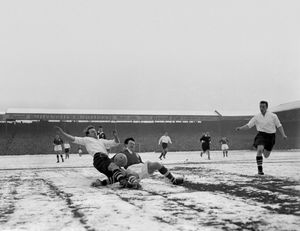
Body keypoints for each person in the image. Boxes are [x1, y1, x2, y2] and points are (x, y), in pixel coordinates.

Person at [54, 125, 140, 188]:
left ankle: (102, 183)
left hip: (105, 159)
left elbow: (116, 142)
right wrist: (62, 132)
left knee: (124, 172)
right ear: (88, 134)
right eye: (92, 131)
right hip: (99, 158)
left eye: (95, 131)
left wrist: (115, 136)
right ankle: (123, 182)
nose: (95, 132)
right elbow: (73, 138)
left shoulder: (101, 141)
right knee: (114, 167)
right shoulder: (86, 139)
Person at [95, 137, 184, 186]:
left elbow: (142, 163)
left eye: (134, 144)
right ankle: (129, 183)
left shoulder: (137, 154)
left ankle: (173, 180)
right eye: (131, 144)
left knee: (157, 164)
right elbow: (112, 163)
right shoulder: (121, 154)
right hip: (130, 170)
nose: (133, 145)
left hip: (141, 168)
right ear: (126, 145)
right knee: (130, 175)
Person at [236, 100, 287, 175]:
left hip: (271, 136)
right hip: (261, 135)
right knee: (259, 150)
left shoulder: (273, 116)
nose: (261, 108)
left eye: (263, 107)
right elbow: (248, 125)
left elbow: (279, 126)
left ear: (267, 107)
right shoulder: (257, 116)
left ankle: (263, 149)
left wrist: (283, 135)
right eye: (260, 106)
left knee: (266, 155)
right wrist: (240, 128)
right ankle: (260, 170)